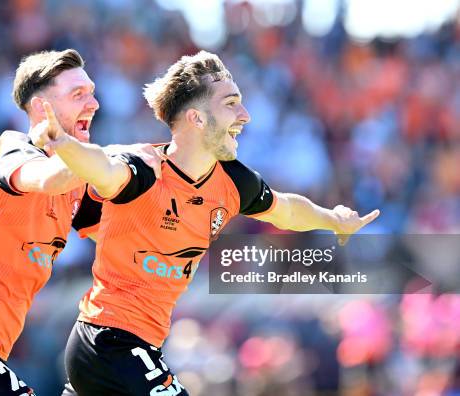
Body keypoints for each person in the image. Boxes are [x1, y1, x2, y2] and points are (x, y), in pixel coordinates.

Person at [34, 51, 380, 396]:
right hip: (109, 342)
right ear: (197, 119)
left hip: (135, 348)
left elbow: (287, 209)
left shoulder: (233, 182)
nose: (244, 115)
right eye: (231, 103)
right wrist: (62, 144)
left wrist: (334, 220)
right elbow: (103, 169)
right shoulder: (145, 168)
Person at [0, 49, 161, 396]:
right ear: (43, 110)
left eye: (91, 92)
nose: (94, 103)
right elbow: (47, 179)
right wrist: (119, 155)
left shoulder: (76, 186)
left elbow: (125, 235)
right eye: (78, 95)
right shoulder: (14, 148)